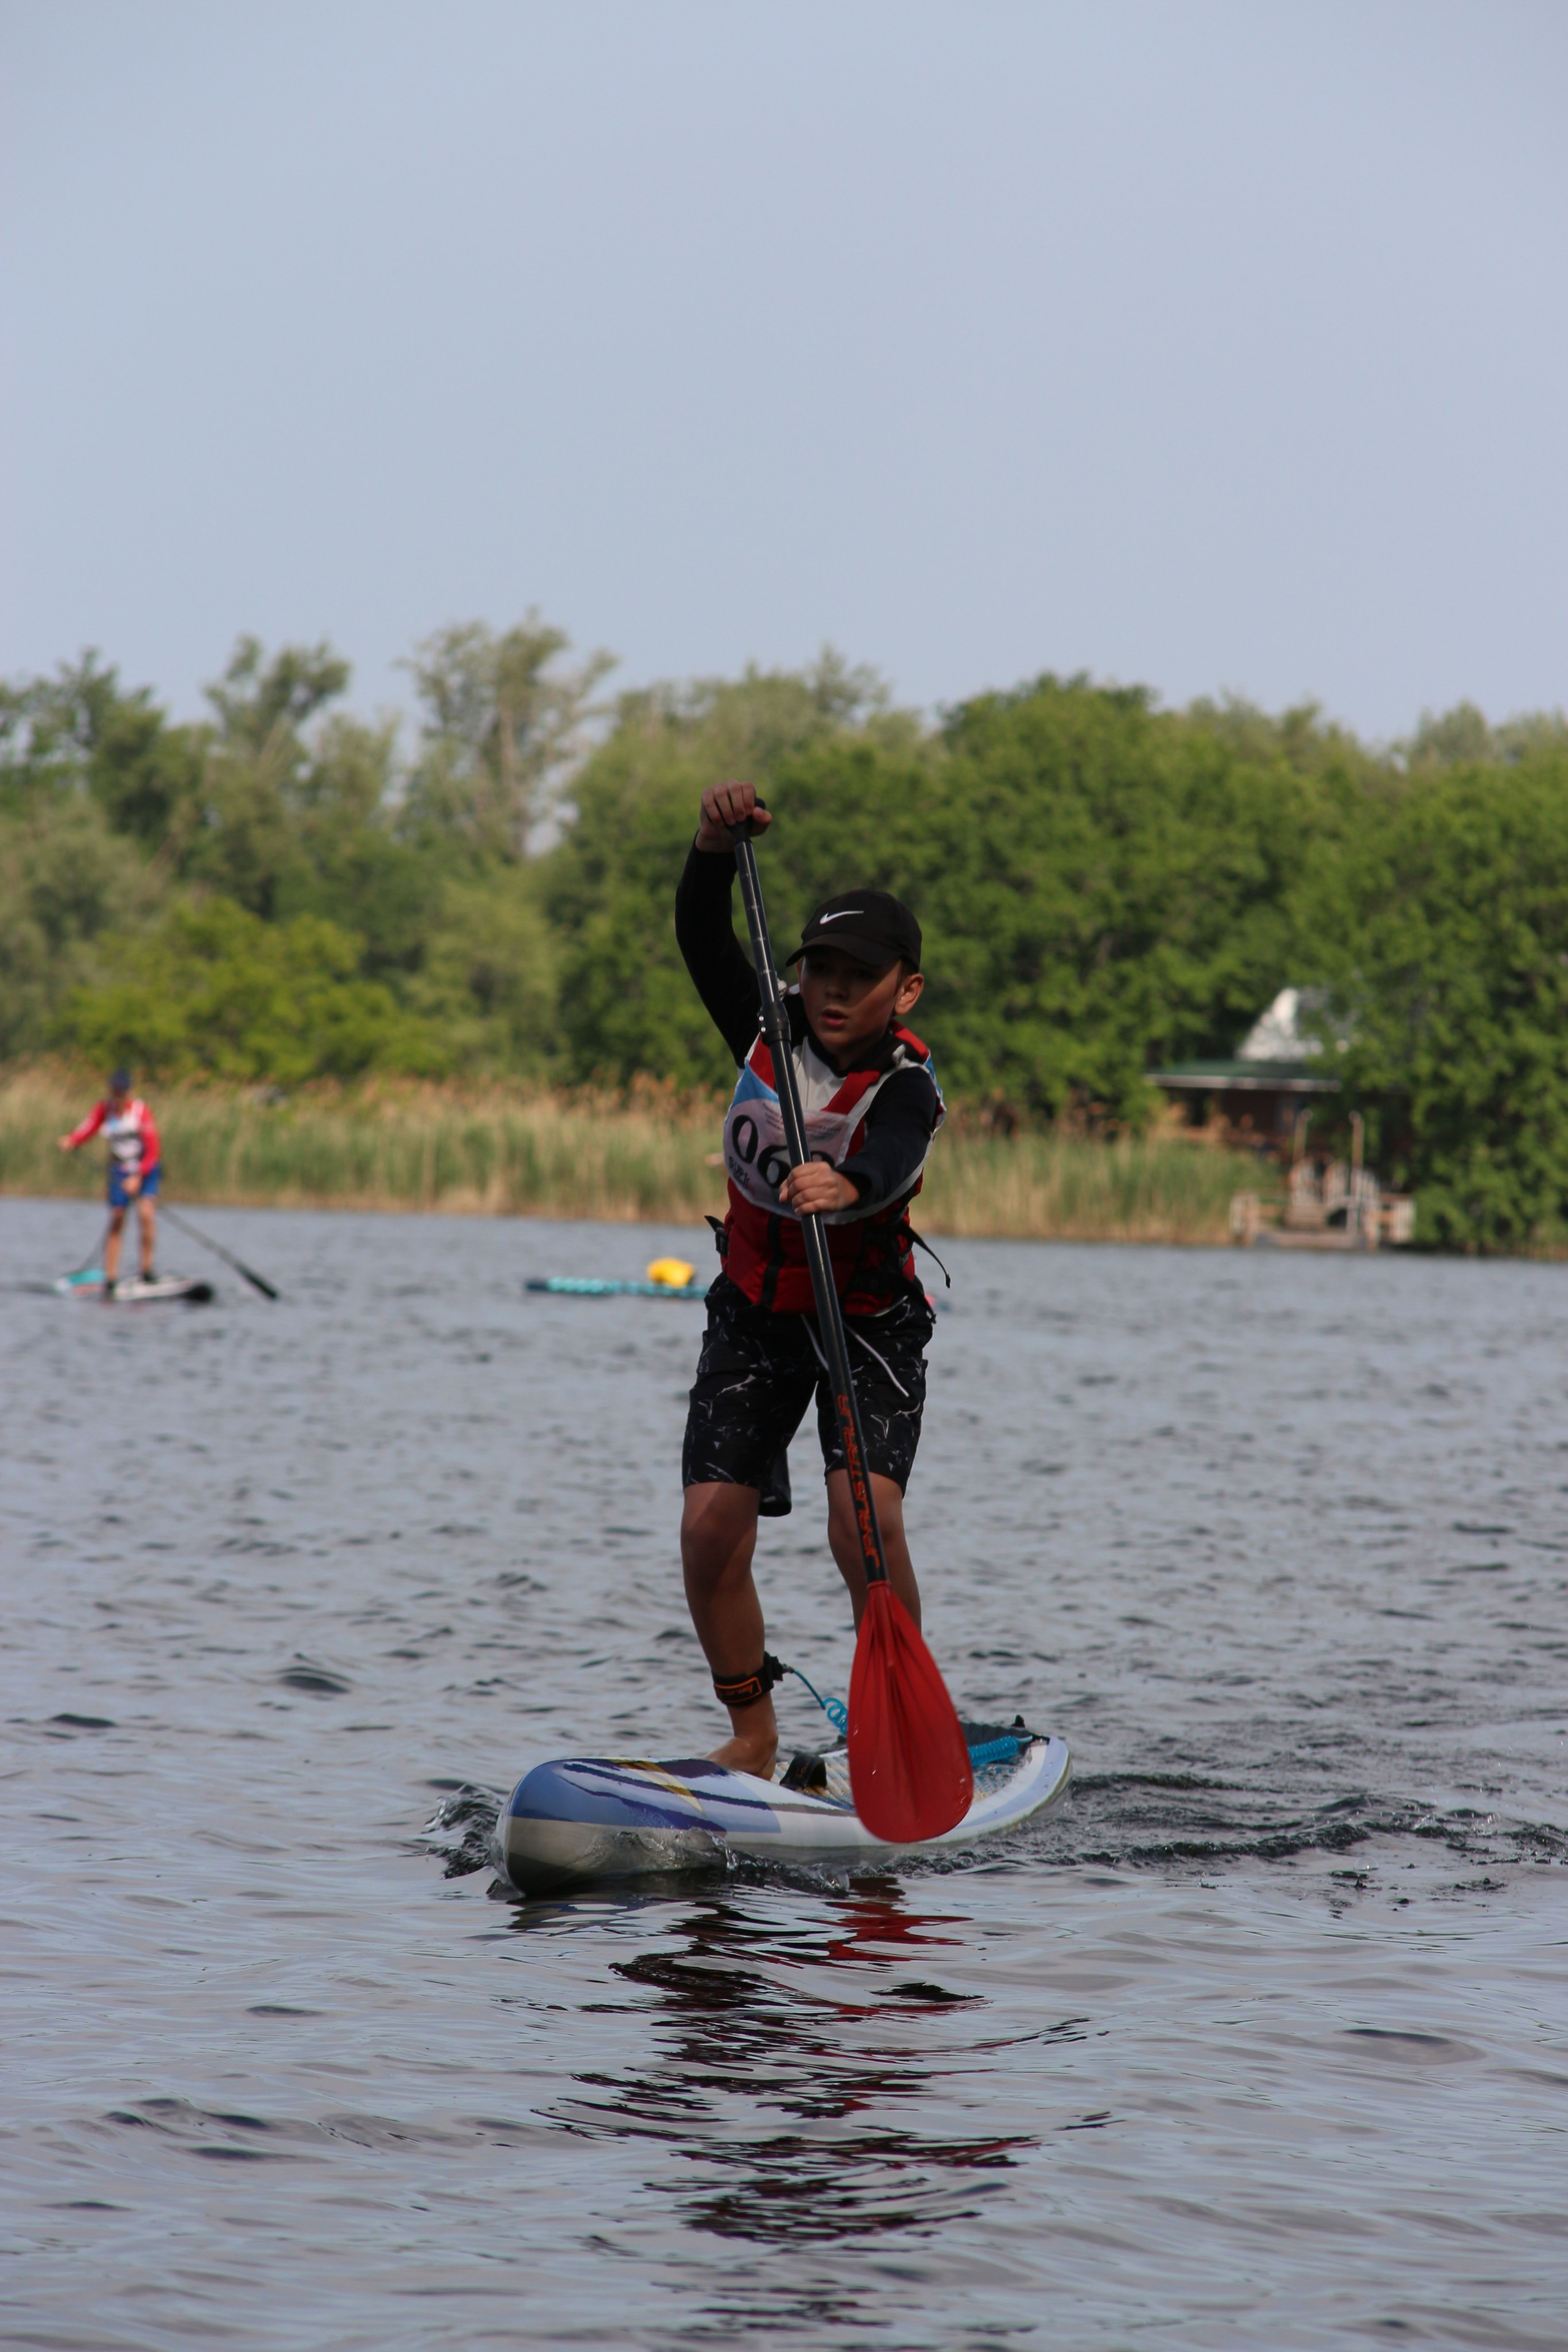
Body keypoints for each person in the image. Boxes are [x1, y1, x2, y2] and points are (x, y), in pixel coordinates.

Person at [676, 778, 945, 1776]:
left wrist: (851, 1182)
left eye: (858, 975)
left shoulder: (908, 1085)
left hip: (866, 1318)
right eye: (819, 969)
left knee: (861, 1520)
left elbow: (897, 1158)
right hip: (754, 1308)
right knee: (709, 1529)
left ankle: (897, 1728)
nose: (832, 990)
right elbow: (701, 937)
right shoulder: (764, 1024)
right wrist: (710, 848)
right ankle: (753, 1736)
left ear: (904, 990)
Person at [59, 1069, 161, 1294]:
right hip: (119, 1171)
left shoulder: (140, 1112)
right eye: (114, 1091)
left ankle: (147, 1272)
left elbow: (153, 1151)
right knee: (117, 1218)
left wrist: (138, 1176)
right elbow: (87, 1129)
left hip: (145, 1170)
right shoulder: (104, 1110)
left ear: (128, 1092)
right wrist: (72, 1140)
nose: (117, 1097)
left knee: (146, 1215)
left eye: (121, 1092)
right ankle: (111, 1278)